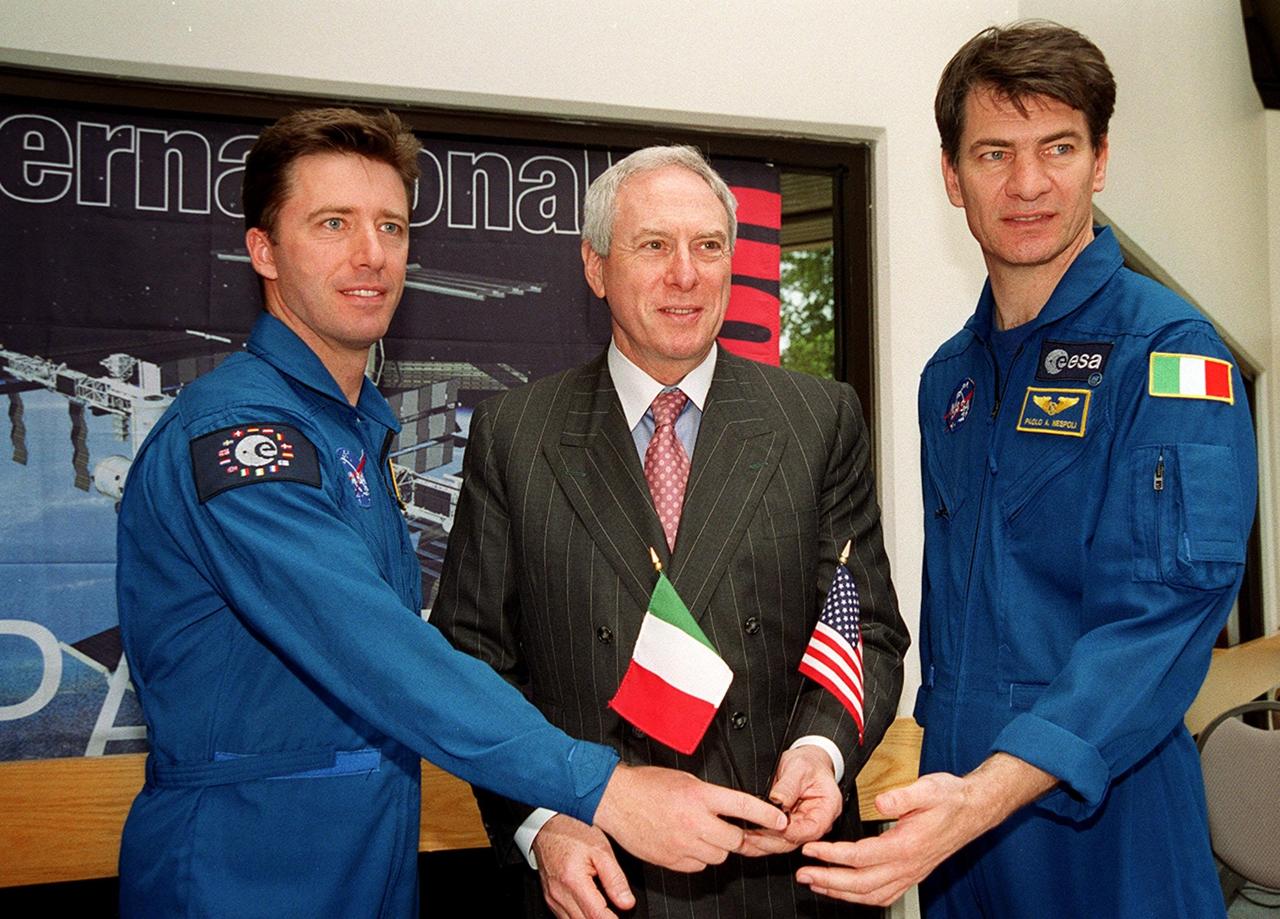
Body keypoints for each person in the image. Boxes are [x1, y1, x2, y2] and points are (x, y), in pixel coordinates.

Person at [115, 108, 788, 918]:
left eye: (391, 226)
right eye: (333, 223)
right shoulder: (240, 437)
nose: (371, 255)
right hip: (241, 871)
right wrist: (599, 787)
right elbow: (378, 651)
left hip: (369, 860)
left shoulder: (348, 432)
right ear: (264, 248)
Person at [796, 21, 1257, 917]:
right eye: (994, 152)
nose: (1028, 183)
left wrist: (989, 793)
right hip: (954, 813)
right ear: (951, 174)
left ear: (1100, 160)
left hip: (1103, 805)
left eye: (1058, 147)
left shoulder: (1168, 354)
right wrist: (953, 796)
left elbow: (1157, 623)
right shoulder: (949, 379)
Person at [432, 144, 908, 919]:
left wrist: (822, 749)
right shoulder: (516, 433)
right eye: (654, 245)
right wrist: (544, 823)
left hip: (781, 872)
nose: (685, 274)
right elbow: (474, 661)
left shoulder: (818, 420)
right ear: (596, 268)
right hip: (599, 878)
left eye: (708, 246)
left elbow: (865, 625)